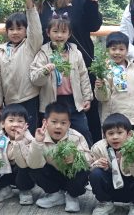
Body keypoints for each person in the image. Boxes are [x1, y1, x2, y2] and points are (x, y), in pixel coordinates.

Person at [33, 0, 104, 140]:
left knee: (85, 120)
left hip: (80, 65)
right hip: (49, 70)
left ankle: (92, 152)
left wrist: (92, 4)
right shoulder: (35, 3)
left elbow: (94, 25)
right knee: (53, 121)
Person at [30, 14, 93, 145]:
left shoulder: (75, 53)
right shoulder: (43, 54)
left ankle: (87, 156)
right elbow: (34, 79)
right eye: (55, 31)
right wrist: (45, 71)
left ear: (69, 34)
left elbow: (83, 76)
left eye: (64, 32)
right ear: (48, 33)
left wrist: (87, 97)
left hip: (73, 101)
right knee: (52, 136)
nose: (59, 35)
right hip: (52, 101)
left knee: (83, 131)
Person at [26, 101, 92, 213]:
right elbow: (33, 164)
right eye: (54, 122)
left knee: (83, 170)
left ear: (69, 124)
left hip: (70, 176)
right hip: (53, 176)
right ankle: (55, 195)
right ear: (45, 122)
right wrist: (37, 143)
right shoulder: (40, 136)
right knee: (33, 167)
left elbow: (89, 160)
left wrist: (75, 158)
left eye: (63, 123)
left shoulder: (76, 137)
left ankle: (72, 196)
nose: (58, 126)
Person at [88, 113, 134, 215]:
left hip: (131, 188)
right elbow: (88, 168)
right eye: (110, 133)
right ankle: (105, 203)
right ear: (104, 135)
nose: (115, 137)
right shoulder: (98, 148)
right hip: (111, 188)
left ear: (129, 134)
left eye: (119, 133)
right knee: (96, 173)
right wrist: (96, 164)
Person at [0, 0, 43, 132]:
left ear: (26, 30)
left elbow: (36, 31)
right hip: (9, 101)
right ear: (6, 31)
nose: (15, 32)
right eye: (11, 29)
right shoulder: (0, 53)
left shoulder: (30, 46)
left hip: (29, 98)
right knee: (12, 132)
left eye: (19, 28)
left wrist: (30, 8)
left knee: (29, 133)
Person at [93, 31, 134, 128]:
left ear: (127, 51)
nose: (117, 52)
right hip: (112, 119)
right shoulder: (103, 70)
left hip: (133, 118)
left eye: (121, 49)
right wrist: (100, 87)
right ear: (107, 50)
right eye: (113, 49)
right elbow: (102, 98)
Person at [0, 104, 37, 205]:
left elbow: (29, 160)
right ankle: (4, 188)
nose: (15, 124)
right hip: (6, 171)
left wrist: (19, 141)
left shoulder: (29, 139)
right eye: (11, 120)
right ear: (2, 124)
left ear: (26, 125)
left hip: (21, 172)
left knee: (25, 166)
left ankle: (25, 190)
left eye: (20, 121)